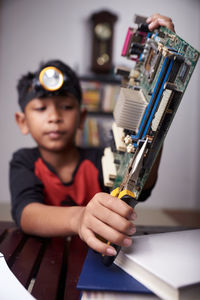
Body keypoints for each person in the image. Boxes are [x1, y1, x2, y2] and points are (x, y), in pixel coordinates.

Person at [10, 14, 175, 260]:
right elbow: (26, 213)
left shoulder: (100, 160)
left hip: (92, 260)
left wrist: (164, 65)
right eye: (41, 108)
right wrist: (79, 218)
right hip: (42, 261)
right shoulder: (24, 162)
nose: (54, 117)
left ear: (82, 117)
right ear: (22, 121)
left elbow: (141, 185)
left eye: (66, 107)